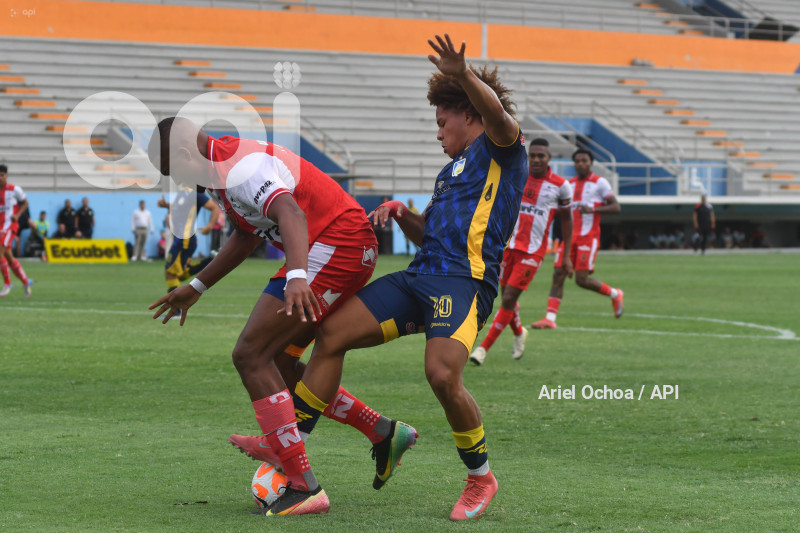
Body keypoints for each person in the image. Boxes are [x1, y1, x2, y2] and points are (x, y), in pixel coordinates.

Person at [279, 34, 526, 520]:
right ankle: (291, 458)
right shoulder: (449, 172)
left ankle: (480, 477)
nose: (437, 133)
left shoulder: (502, 147)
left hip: (464, 281)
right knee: (330, 334)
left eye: (442, 122)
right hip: (420, 276)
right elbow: (432, 236)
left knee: (441, 375)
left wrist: (463, 74)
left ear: (468, 114)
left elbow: (498, 116)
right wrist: (403, 213)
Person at [147, 117, 414, 516]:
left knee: (251, 354)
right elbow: (246, 233)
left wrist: (297, 276)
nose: (180, 183)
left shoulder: (242, 168)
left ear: (186, 155)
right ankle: (382, 431)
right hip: (327, 244)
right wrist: (197, 286)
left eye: (174, 173)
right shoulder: (221, 171)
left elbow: (290, 212)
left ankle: (303, 484)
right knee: (277, 361)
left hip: (338, 243)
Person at [469, 138, 573, 366]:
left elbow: (567, 220)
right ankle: (519, 333)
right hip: (508, 246)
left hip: (533, 252)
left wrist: (565, 255)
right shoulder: (518, 175)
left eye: (541, 156)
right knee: (506, 296)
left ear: (549, 158)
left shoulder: (561, 186)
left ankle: (483, 349)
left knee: (507, 299)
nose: (536, 159)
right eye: (533, 155)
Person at [531, 149, 623, 329]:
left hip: (588, 238)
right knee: (558, 274)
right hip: (569, 238)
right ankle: (550, 318)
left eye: (584, 160)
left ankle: (614, 294)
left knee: (582, 280)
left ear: (591, 163)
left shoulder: (600, 183)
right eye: (578, 161)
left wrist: (594, 210)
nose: (581, 164)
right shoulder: (568, 184)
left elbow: (616, 206)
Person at [156, 190, 220, 310]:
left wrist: (210, 226)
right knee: (180, 274)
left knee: (171, 273)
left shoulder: (197, 194)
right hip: (181, 239)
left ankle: (175, 311)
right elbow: (177, 209)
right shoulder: (182, 193)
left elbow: (214, 208)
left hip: (185, 239)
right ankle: (210, 260)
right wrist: (166, 205)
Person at [0, 165, 33, 297]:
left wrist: (17, 216)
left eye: (2, 175)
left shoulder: (14, 189)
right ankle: (26, 282)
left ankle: (7, 284)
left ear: (6, 176)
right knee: (8, 257)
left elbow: (25, 203)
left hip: (9, 226)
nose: (0, 178)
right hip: (0, 227)